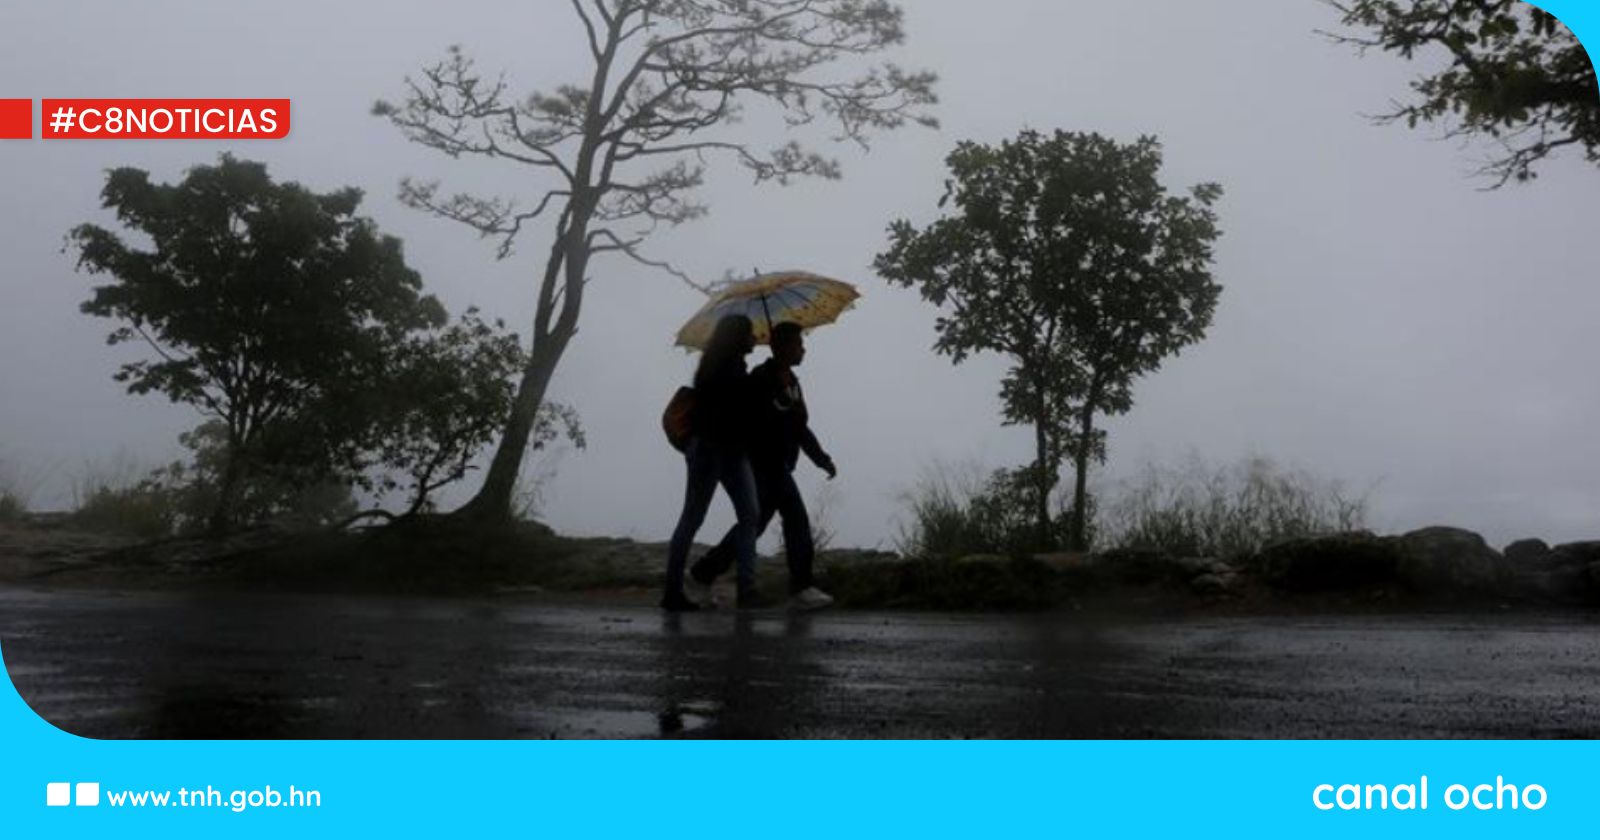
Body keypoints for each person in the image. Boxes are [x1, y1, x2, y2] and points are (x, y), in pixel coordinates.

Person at [689, 321, 837, 611]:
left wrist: (821, 458)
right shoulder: (760, 378)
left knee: (754, 524)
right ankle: (801, 587)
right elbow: (750, 422)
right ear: (780, 347)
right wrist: (776, 404)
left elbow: (799, 427)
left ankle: (703, 572)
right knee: (795, 517)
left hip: (781, 462)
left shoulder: (791, 381)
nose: (803, 349)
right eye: (797, 344)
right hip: (764, 464)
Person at [662, 314, 767, 612]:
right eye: (750, 333)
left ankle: (741, 589)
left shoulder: (715, 367)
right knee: (721, 516)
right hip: (715, 449)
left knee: (744, 515)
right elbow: (736, 408)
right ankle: (743, 590)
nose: (755, 338)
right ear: (738, 338)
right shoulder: (728, 370)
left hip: (721, 449)